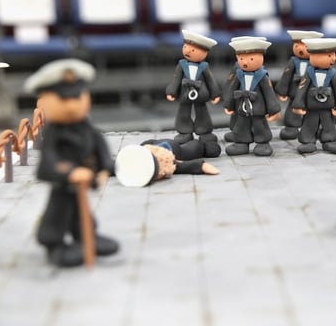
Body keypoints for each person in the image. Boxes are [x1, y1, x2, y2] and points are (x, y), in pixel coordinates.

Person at [24, 59, 119, 267]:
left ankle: (86, 237)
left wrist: (104, 167)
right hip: (65, 183)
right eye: (63, 99)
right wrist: (69, 172)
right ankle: (54, 244)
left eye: (77, 96)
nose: (72, 105)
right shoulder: (53, 134)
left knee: (81, 211)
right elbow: (48, 163)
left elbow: (99, 145)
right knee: (59, 210)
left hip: (85, 180)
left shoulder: (86, 126)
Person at [224, 37, 281, 156]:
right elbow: (232, 89)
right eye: (241, 58)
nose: (245, 62)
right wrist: (228, 104)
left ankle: (263, 143)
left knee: (260, 125)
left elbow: (269, 93)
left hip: (257, 109)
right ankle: (241, 143)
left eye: (251, 58)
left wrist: (274, 110)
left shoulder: (262, 76)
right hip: (242, 107)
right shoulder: (238, 74)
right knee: (241, 125)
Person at [166, 30, 221, 146]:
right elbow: (176, 79)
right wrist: (172, 91)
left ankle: (204, 131)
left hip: (201, 93)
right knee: (183, 112)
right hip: (185, 93)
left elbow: (210, 81)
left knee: (202, 111)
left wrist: (215, 94)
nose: (187, 51)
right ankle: (184, 132)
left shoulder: (204, 67)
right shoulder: (181, 64)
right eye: (185, 46)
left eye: (193, 50)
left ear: (205, 52)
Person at [291, 37, 336, 154]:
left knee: (329, 124)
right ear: (313, 57)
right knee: (309, 123)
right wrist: (298, 104)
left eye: (333, 55)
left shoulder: (332, 73)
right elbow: (302, 88)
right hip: (311, 106)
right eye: (329, 56)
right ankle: (308, 141)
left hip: (327, 106)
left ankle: (329, 140)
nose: (333, 58)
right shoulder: (309, 73)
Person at [275, 30, 323, 140]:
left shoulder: (316, 62)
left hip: (310, 92)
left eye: (305, 46)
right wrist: (283, 91)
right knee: (293, 109)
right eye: (297, 45)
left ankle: (312, 128)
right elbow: (286, 76)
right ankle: (292, 127)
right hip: (295, 91)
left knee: (312, 110)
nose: (301, 49)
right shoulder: (293, 61)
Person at [115, 138, 219, 187]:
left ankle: (205, 145)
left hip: (173, 149)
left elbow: (187, 166)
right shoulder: (132, 165)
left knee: (194, 148)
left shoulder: (169, 163)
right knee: (191, 148)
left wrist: (203, 166)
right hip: (150, 145)